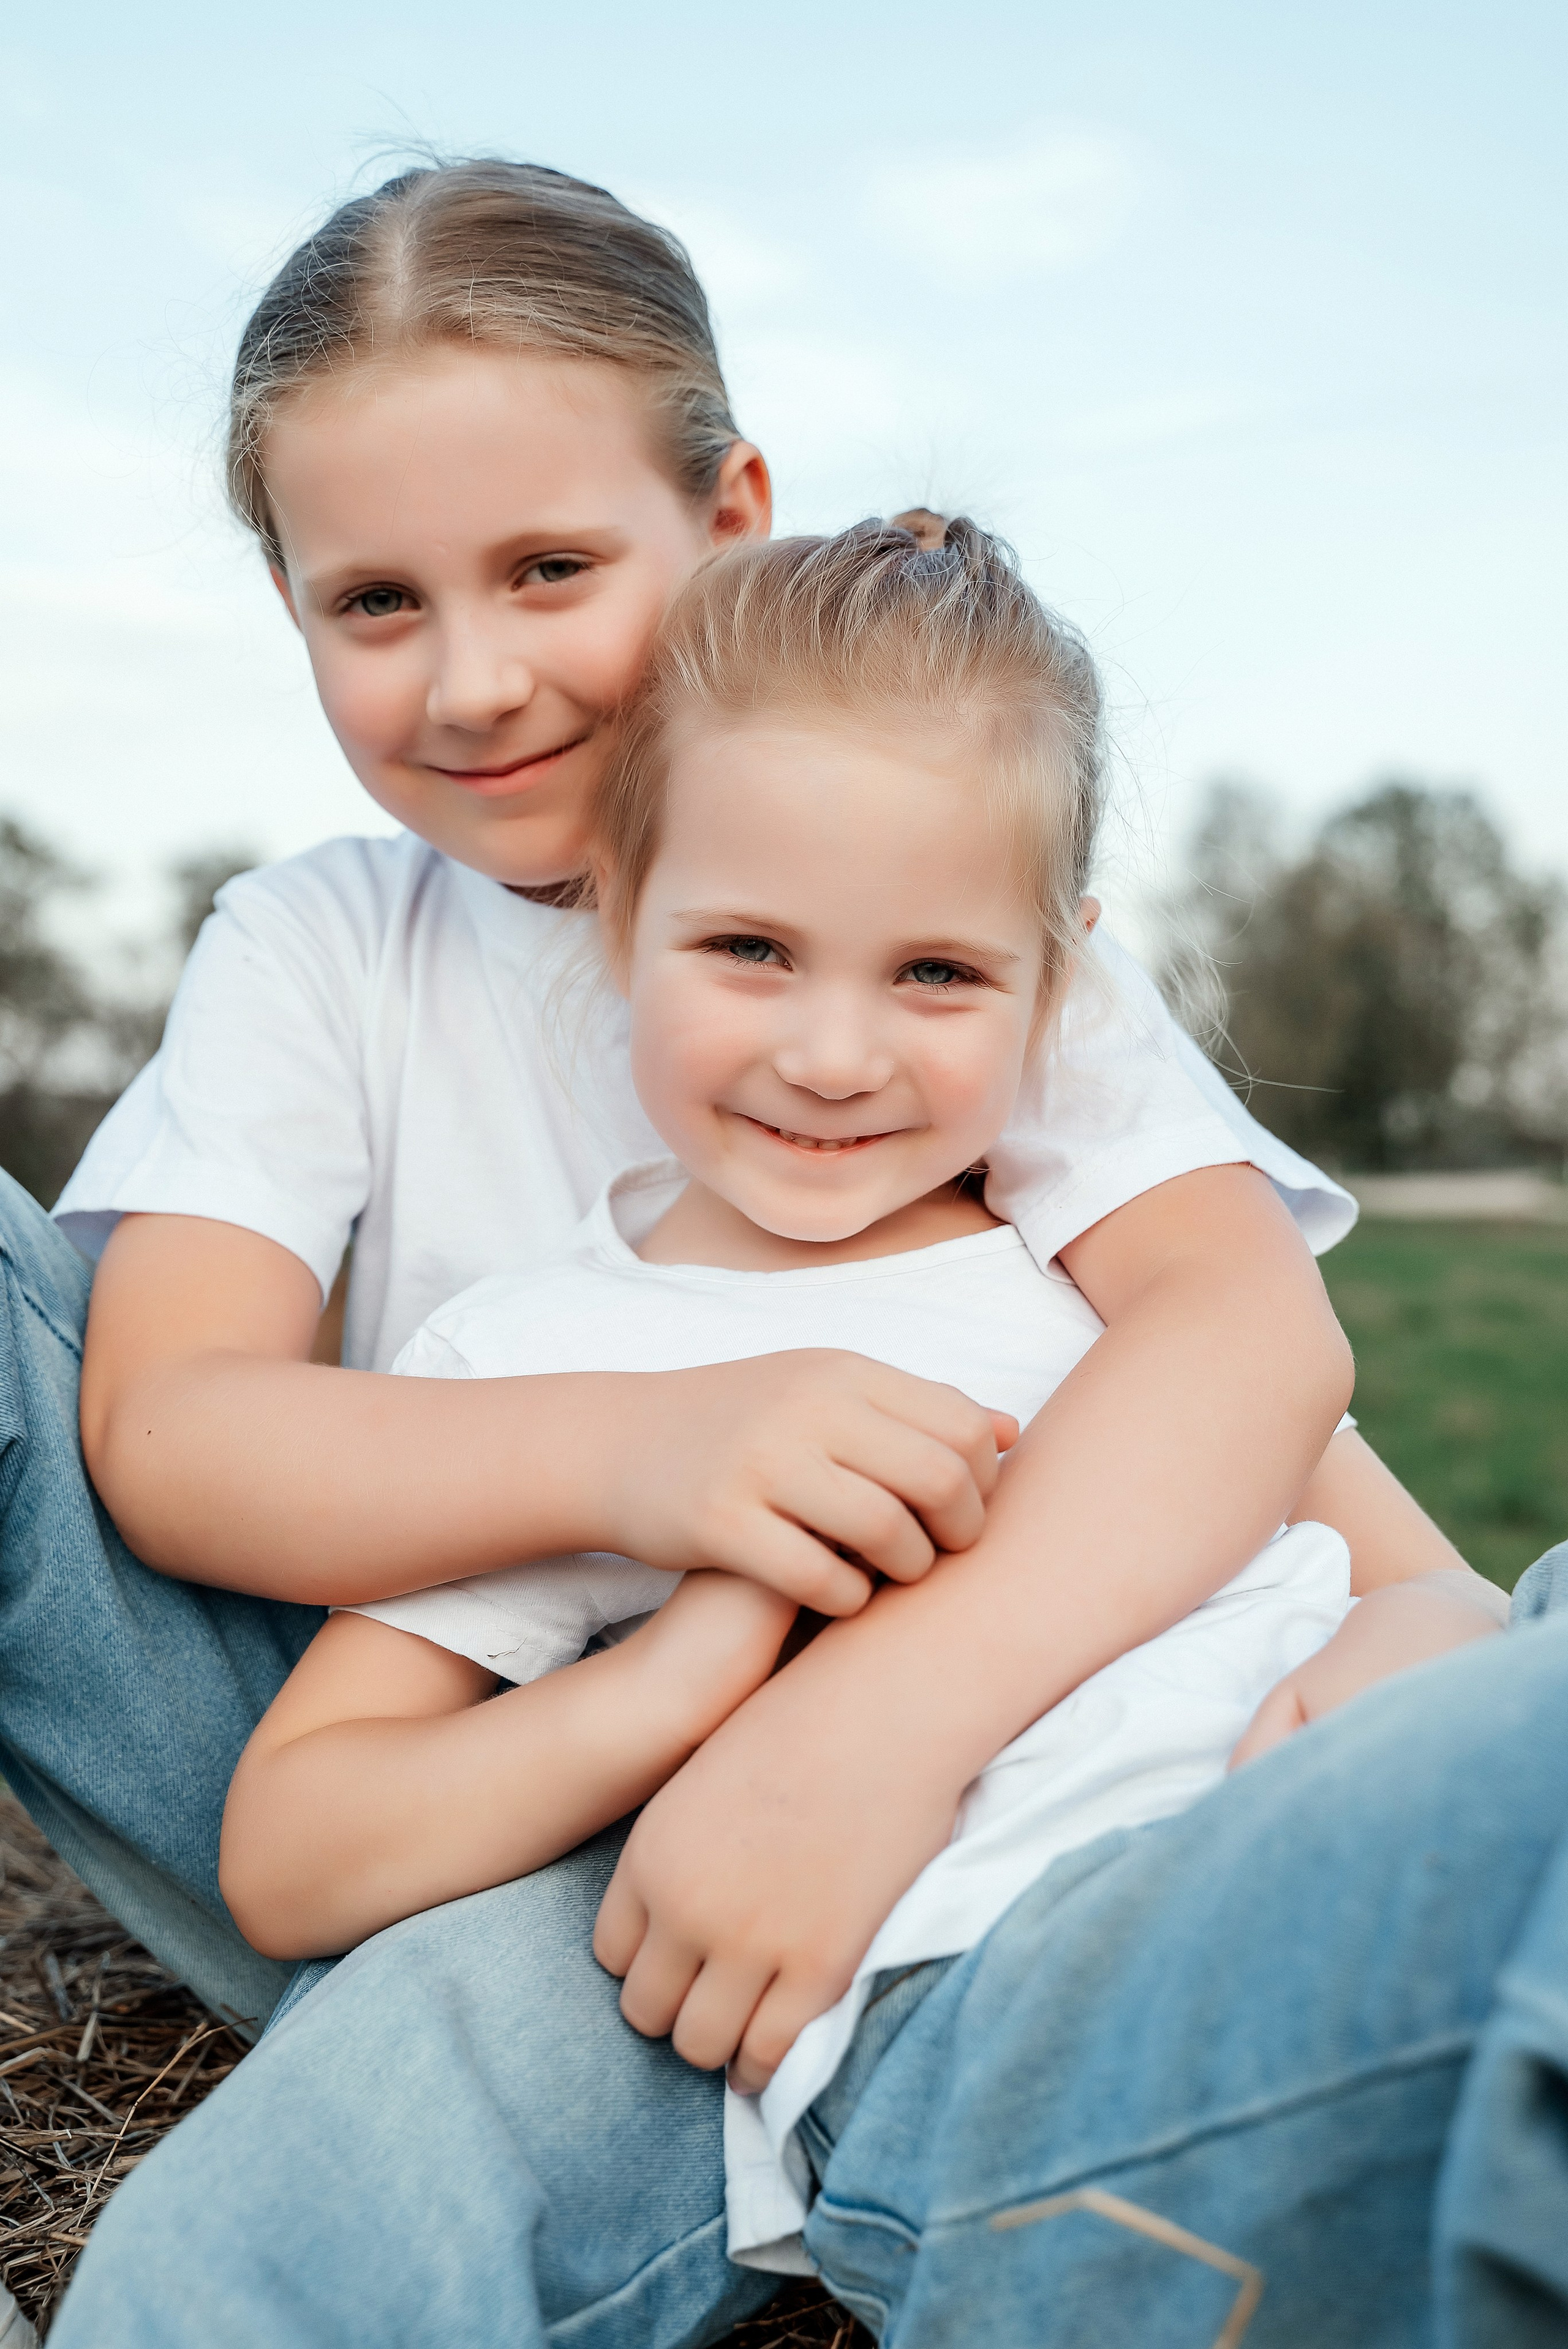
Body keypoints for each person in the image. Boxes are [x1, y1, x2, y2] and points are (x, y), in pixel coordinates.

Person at [0, 157, 1486, 2337]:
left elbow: (1240, 1351)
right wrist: (658, 1461)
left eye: (549, 566)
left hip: (914, 1753)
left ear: (731, 513)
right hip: (403, 1743)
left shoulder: (934, 902)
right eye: (376, 602)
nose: (479, 678)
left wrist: (876, 1714)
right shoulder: (322, 941)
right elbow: (171, 1431)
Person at [215, 518, 1357, 2268]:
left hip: (1333, 1827)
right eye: (750, 947)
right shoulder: (543, 1351)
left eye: (938, 972)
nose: (834, 1056)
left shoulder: (1112, 1284)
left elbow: (1369, 1553)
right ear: (617, 914)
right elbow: (294, 1846)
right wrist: (673, 1683)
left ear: (1063, 982)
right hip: (1022, 2007)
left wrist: (1419, 1639)